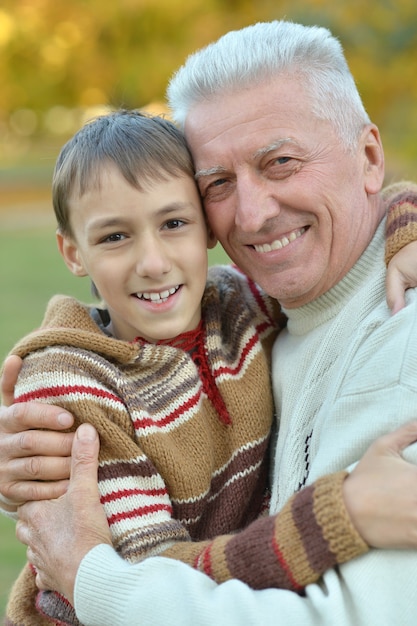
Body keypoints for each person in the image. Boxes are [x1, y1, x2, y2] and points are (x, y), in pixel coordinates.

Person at [3, 19, 417, 626]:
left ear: (369, 157)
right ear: (74, 252)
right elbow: (136, 558)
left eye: (280, 161)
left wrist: (86, 572)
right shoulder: (258, 305)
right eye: (218, 183)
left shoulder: (381, 338)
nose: (251, 215)